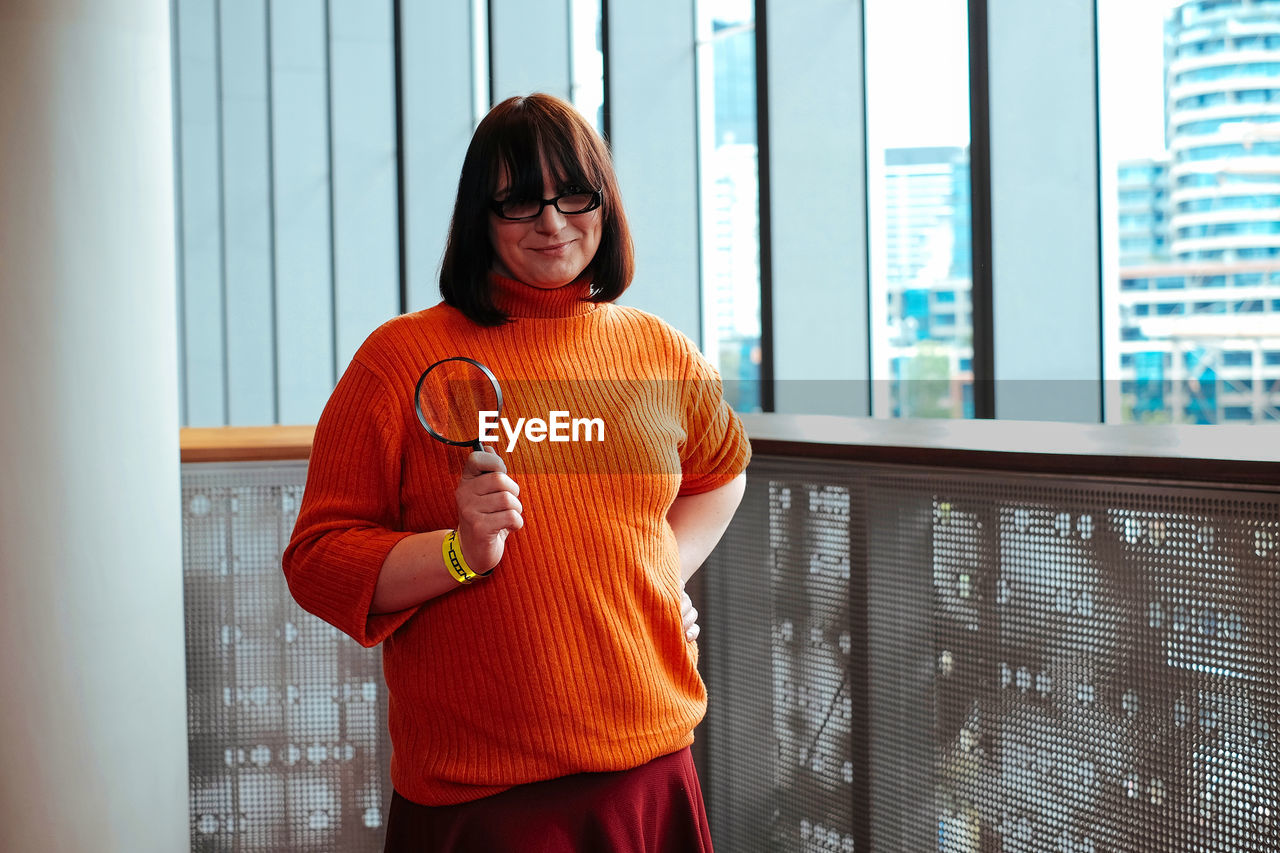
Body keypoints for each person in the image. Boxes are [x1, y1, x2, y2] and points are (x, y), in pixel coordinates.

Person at [282, 92, 750, 852]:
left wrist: (665, 565)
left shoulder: (657, 349)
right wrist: (459, 549)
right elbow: (316, 560)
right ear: (480, 216)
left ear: (605, 204)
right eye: (519, 202)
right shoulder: (397, 359)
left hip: (649, 771)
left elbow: (722, 468)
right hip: (484, 804)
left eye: (575, 195)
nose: (553, 222)